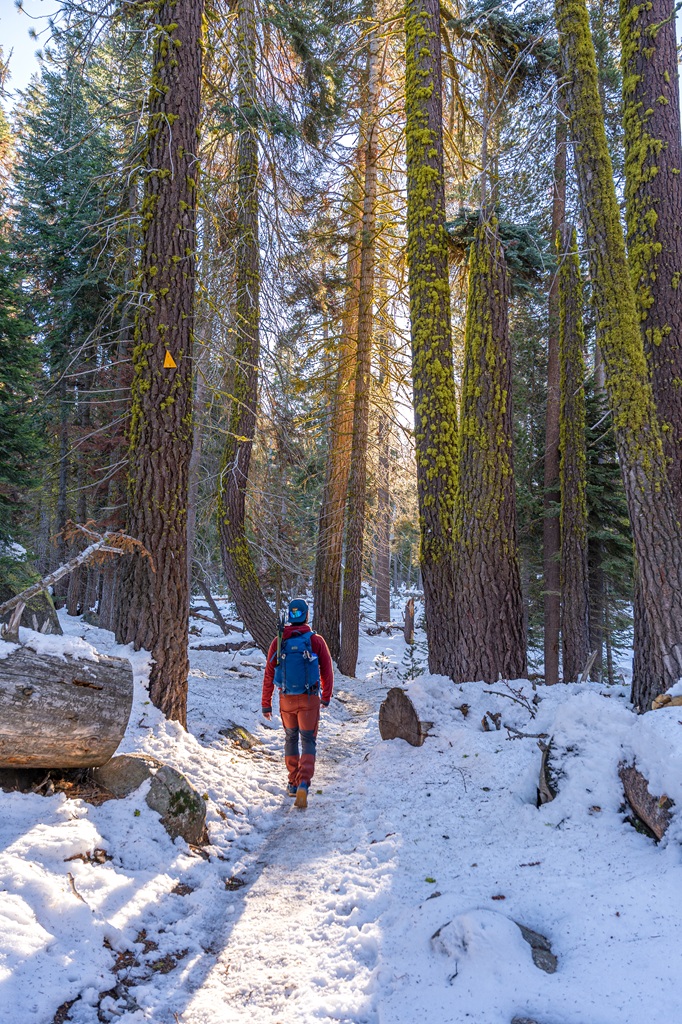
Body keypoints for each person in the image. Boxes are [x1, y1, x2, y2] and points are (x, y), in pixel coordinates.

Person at [261, 599, 333, 808]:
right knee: (308, 739)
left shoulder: (279, 641)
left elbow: (269, 673)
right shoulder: (315, 640)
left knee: (291, 737)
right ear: (306, 615)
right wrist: (326, 696)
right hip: (309, 698)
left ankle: (292, 783)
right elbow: (327, 671)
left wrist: (266, 703)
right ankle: (303, 783)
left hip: (286, 699)